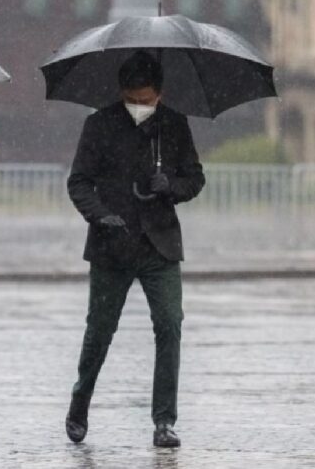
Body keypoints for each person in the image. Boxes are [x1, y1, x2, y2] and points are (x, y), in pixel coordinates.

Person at [64, 51, 205, 448]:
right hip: (112, 245)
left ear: (159, 94)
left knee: (169, 325)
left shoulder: (174, 125)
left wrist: (171, 187)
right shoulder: (100, 124)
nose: (139, 108)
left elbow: (195, 178)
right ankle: (80, 400)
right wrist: (100, 215)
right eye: (132, 100)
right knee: (100, 331)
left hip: (159, 245)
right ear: (121, 93)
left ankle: (164, 420)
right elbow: (78, 182)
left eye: (146, 100)